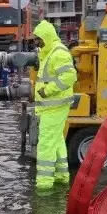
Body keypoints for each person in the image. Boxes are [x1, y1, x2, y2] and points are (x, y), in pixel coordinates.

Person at [32, 20, 78, 194]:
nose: (37, 43)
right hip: (52, 107)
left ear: (47, 36)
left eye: (39, 39)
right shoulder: (49, 51)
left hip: (54, 107)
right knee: (57, 141)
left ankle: (44, 184)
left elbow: (70, 76)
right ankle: (61, 176)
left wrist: (48, 90)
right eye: (36, 40)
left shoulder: (58, 53)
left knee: (46, 144)